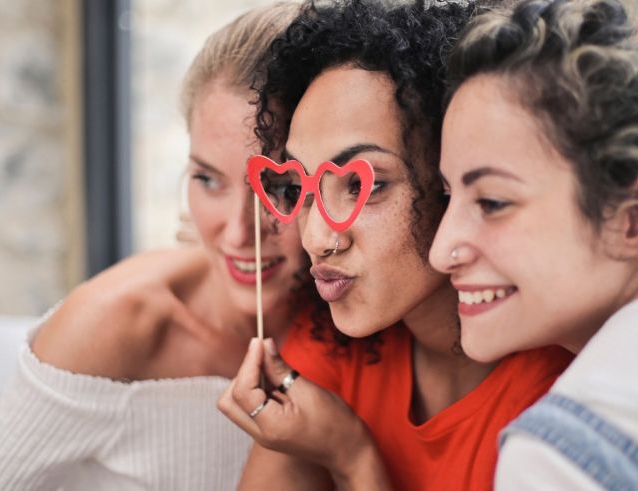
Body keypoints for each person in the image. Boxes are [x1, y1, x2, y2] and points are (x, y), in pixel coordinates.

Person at [0, 3, 308, 490]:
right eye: (207, 178)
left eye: (280, 187)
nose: (239, 232)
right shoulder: (115, 322)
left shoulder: (356, 328)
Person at [216, 1, 574, 490]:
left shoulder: (558, 399)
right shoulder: (331, 346)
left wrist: (352, 457)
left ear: (453, 178)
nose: (318, 239)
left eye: (367, 185)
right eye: (299, 187)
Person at [428, 0, 638, 488]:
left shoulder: (562, 455)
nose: (442, 251)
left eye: (493, 202)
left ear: (635, 220)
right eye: (447, 196)